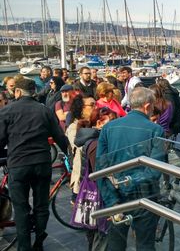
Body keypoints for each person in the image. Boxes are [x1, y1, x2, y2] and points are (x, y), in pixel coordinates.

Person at [0, 78, 69, 251]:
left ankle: (24, 247)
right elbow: (59, 137)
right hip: (41, 163)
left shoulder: (7, 110)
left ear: (17, 92)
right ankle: (39, 241)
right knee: (41, 205)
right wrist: (70, 155)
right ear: (33, 92)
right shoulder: (44, 110)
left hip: (18, 163)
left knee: (21, 208)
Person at [96, 87, 165, 251]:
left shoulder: (108, 127)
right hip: (145, 195)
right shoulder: (155, 129)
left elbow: (100, 167)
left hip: (116, 195)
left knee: (116, 243)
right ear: (147, 106)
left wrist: (111, 200)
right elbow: (155, 171)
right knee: (145, 244)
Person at [74, 107, 118, 251]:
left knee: (93, 234)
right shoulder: (96, 144)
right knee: (101, 235)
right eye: (111, 122)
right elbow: (102, 173)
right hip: (99, 195)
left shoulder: (87, 139)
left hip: (88, 192)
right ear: (99, 123)